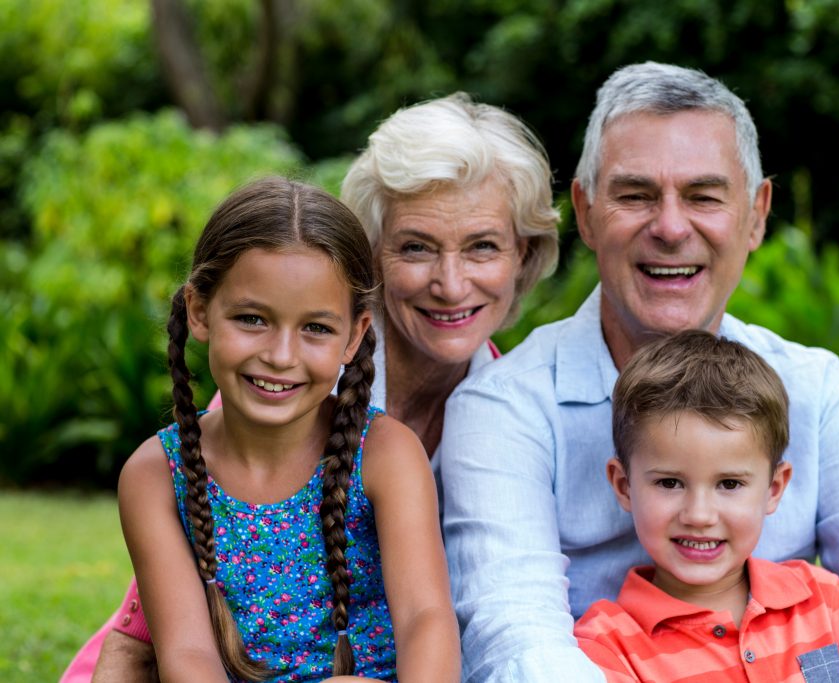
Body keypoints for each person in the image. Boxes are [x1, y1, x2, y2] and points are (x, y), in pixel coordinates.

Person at [439, 62, 839, 682]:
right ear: (584, 212)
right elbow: (517, 638)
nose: (669, 227)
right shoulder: (503, 409)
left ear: (756, 213)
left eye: (704, 196)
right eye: (635, 195)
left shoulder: (816, 390)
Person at [61, 93, 560, 682]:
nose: (451, 284)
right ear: (371, 262)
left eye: (482, 246)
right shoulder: (237, 420)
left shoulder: (502, 419)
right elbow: (169, 641)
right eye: (417, 246)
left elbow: (438, 618)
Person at [117, 177, 460, 682]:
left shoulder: (386, 454)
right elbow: (187, 657)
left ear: (355, 335)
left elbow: (425, 619)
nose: (281, 356)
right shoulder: (155, 475)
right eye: (252, 319)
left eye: (316, 328)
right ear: (199, 311)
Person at [574, 329, 839, 682]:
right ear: (624, 486)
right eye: (669, 483)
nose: (698, 515)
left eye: (729, 484)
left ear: (774, 488)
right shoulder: (607, 645)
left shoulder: (824, 601)